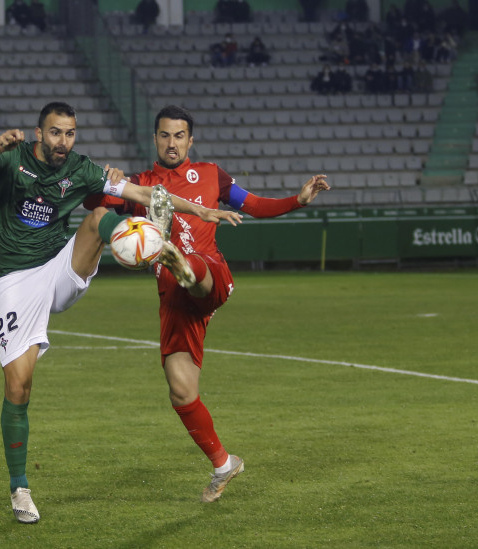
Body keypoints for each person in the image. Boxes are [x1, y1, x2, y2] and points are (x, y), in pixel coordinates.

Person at [0, 101, 242, 524]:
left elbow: (144, 194)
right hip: (16, 282)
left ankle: (146, 246)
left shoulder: (80, 168)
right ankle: (20, 488)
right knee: (18, 386)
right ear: (39, 133)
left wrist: (199, 210)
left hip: (58, 267)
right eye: (55, 133)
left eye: (70, 133)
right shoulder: (12, 157)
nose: (63, 141)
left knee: (100, 215)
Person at [85, 105, 329, 503]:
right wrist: (108, 182)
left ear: (190, 140)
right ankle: (223, 463)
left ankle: (178, 261)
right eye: (164, 135)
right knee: (181, 391)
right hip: (174, 302)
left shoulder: (211, 176)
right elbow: (92, 205)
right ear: (155, 138)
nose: (172, 143)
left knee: (193, 267)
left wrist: (297, 200)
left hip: (210, 274)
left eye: (179, 136)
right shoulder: (140, 185)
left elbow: (252, 204)